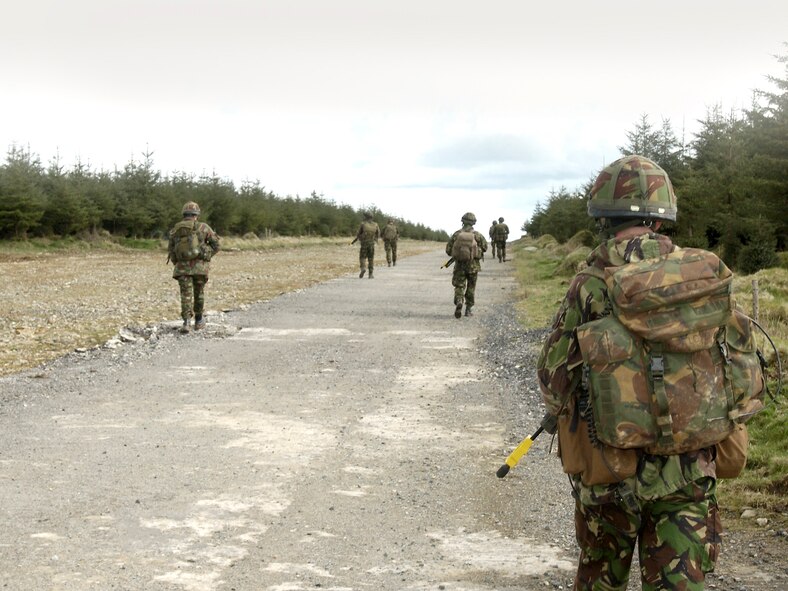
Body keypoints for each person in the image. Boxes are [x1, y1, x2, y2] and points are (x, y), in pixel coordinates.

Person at [536, 155, 723, 590]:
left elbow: (552, 378)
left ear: (604, 215)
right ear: (663, 216)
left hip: (610, 472)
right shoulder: (700, 278)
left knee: (601, 581)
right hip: (690, 470)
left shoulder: (590, 283)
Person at [168, 201, 221, 333]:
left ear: (184, 214)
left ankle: (186, 322)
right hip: (200, 268)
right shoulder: (204, 227)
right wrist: (206, 256)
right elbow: (217, 246)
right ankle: (198, 321)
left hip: (182, 268)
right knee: (199, 293)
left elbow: (171, 250)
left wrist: (178, 263)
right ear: (196, 215)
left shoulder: (176, 229)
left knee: (185, 295)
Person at [445, 212, 487, 318]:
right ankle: (468, 310)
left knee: (459, 285)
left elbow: (449, 250)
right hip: (473, 266)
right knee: (471, 287)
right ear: (473, 223)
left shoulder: (456, 234)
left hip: (459, 265)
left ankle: (459, 300)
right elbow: (485, 247)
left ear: (462, 221)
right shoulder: (477, 235)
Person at [355, 212, 380, 278]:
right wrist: (375, 240)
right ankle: (370, 274)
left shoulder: (363, 224)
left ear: (366, 217)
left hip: (364, 243)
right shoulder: (376, 224)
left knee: (362, 257)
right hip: (371, 243)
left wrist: (360, 239)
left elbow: (358, 233)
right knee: (371, 258)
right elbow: (378, 234)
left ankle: (363, 268)